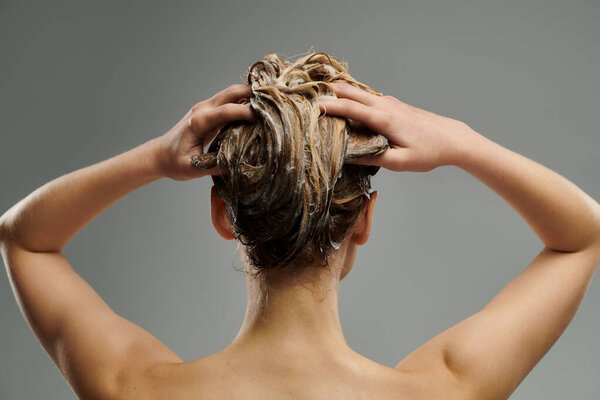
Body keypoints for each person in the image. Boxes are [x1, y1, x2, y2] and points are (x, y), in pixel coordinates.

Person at [1, 51, 599, 400]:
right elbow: (583, 237)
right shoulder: (440, 391)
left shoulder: (136, 388)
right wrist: (461, 142)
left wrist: (157, 156)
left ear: (222, 216)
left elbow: (24, 238)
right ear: (363, 221)